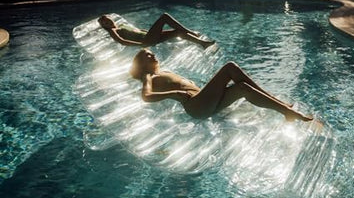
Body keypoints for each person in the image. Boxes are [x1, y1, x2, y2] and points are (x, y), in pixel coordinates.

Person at [130, 48, 314, 122]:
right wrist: (174, 93)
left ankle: (284, 110)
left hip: (202, 102)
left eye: (151, 53)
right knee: (230, 67)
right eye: (147, 55)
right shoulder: (149, 75)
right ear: (141, 63)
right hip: (195, 106)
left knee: (243, 88)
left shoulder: (163, 72)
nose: (152, 55)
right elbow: (146, 96)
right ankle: (286, 110)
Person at [98, 13, 215, 48]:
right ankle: (191, 32)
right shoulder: (113, 31)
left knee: (178, 32)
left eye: (108, 20)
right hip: (146, 41)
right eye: (105, 23)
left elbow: (138, 30)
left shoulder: (121, 25)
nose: (109, 22)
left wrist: (154, 31)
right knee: (164, 17)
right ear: (105, 26)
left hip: (148, 36)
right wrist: (140, 45)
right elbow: (122, 41)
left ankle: (203, 44)